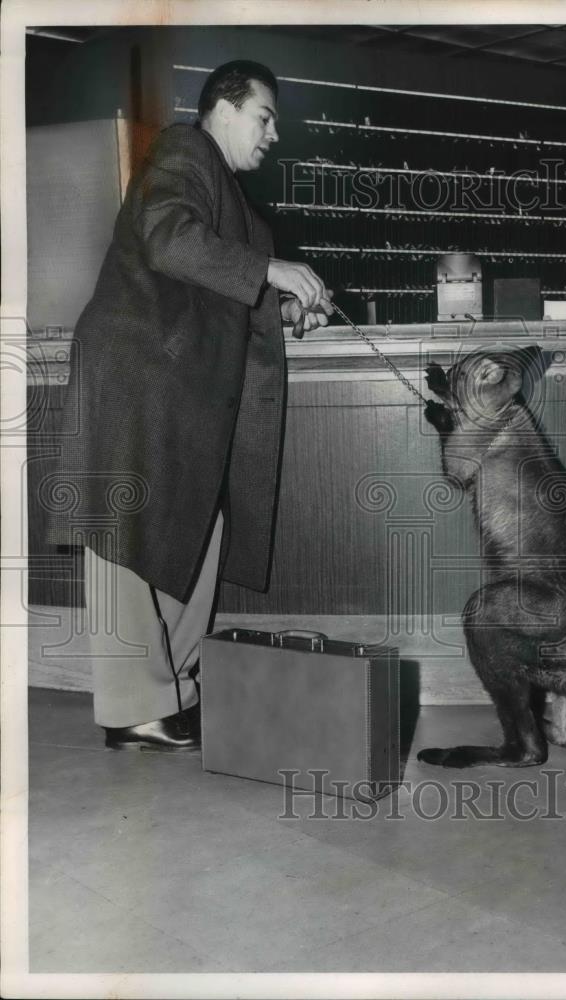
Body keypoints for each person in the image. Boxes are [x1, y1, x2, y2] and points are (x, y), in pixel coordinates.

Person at [47, 60, 332, 750]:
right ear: (223, 108)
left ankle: (170, 689)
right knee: (124, 533)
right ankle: (134, 706)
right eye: (265, 118)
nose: (273, 134)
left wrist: (288, 305)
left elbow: (222, 283)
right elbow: (169, 239)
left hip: (180, 388)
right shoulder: (183, 151)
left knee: (190, 533)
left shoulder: (238, 205)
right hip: (136, 375)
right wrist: (269, 271)